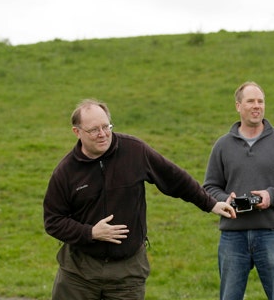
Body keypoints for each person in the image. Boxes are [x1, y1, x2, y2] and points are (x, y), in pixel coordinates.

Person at [43, 99, 236, 300]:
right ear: (77, 132)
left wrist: (211, 203)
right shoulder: (65, 172)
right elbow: (53, 221)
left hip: (127, 272)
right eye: (93, 130)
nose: (102, 134)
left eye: (106, 126)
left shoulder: (134, 151)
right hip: (79, 273)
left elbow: (175, 178)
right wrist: (90, 232)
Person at [203, 81, 274, 300]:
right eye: (250, 101)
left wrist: (271, 196)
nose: (257, 106)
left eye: (261, 101)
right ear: (238, 106)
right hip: (233, 235)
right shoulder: (223, 145)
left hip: (273, 233)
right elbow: (210, 187)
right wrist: (225, 199)